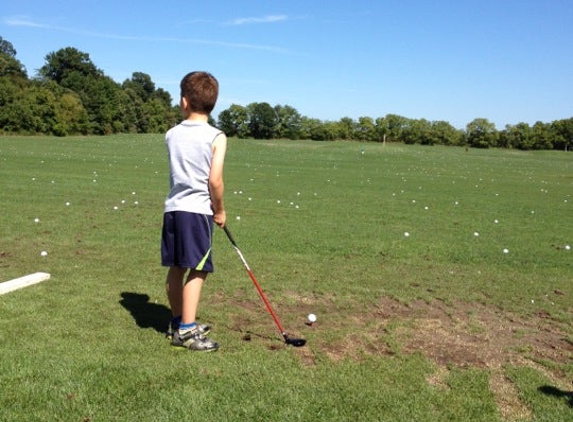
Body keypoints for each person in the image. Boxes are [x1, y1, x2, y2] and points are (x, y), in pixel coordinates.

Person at [161, 71, 227, 352]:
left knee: (177, 269)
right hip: (197, 212)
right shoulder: (216, 136)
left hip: (174, 210)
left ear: (184, 102)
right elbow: (215, 180)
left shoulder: (171, 134)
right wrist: (220, 210)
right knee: (199, 270)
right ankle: (186, 331)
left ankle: (179, 322)